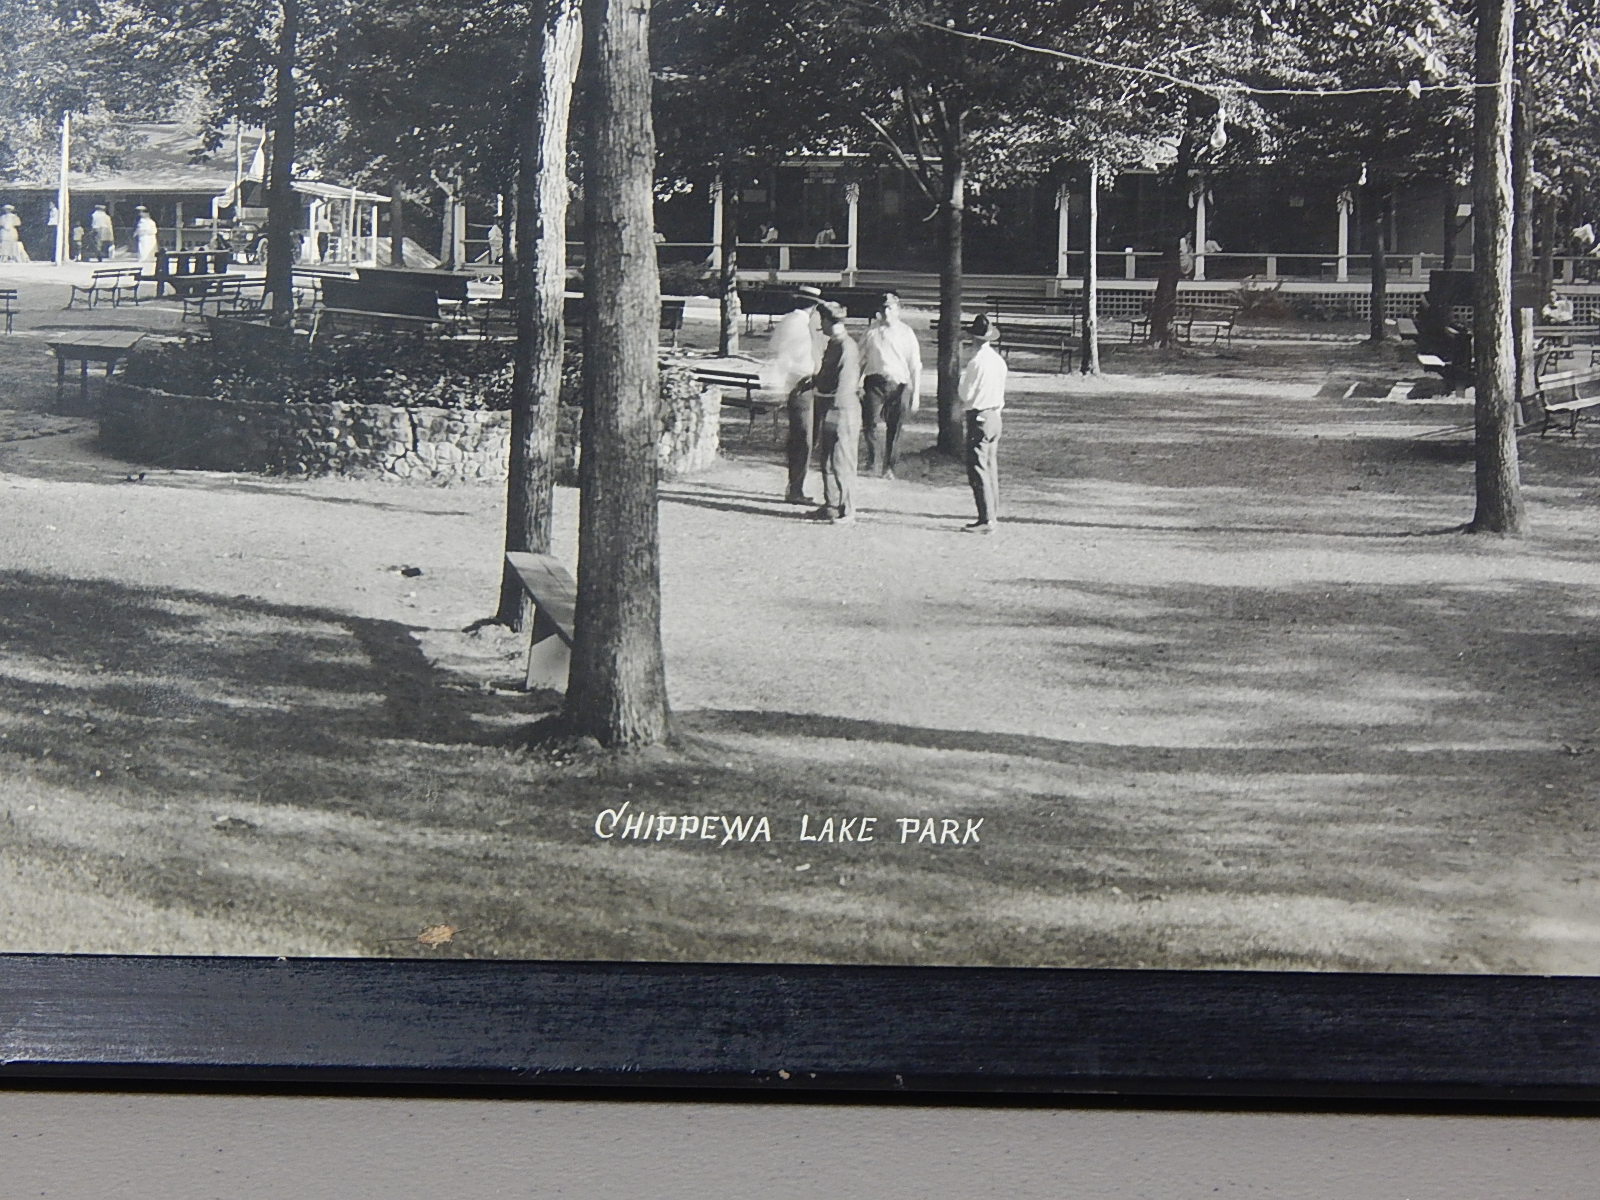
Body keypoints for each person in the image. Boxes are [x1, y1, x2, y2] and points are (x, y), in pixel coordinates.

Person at [769, 284, 824, 504]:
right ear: (813, 307)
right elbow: (789, 358)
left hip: (799, 384)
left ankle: (796, 485)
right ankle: (795, 488)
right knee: (803, 438)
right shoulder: (800, 325)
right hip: (801, 385)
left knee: (803, 437)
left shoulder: (788, 321)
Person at [809, 302, 862, 525]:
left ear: (831, 321)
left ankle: (848, 511)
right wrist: (811, 382)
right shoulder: (833, 344)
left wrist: (833, 409)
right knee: (828, 460)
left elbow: (846, 383)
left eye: (822, 321)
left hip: (842, 410)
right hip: (831, 407)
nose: (820, 325)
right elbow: (826, 374)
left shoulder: (846, 347)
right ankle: (831, 505)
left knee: (842, 461)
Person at [859, 290, 921, 478]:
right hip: (875, 383)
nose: (887, 312)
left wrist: (916, 394)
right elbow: (860, 359)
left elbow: (915, 365)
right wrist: (855, 383)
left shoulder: (906, 333)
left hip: (899, 385)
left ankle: (889, 467)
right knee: (869, 424)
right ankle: (873, 461)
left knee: (895, 428)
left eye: (891, 308)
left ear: (898, 309)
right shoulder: (872, 331)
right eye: (884, 308)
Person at [959, 313, 1007, 534]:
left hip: (979, 416)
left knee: (978, 468)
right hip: (995, 415)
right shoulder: (999, 361)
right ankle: (992, 513)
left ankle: (986, 518)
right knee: (991, 467)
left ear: (974, 339)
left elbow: (965, 394)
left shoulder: (975, 363)